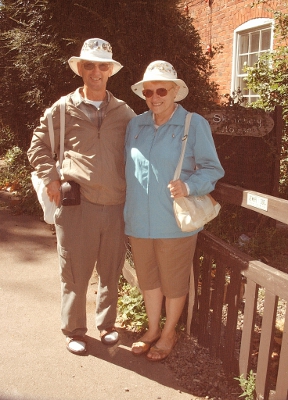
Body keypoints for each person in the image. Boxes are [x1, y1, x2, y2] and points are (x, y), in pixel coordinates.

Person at [27, 38, 136, 355]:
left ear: (110, 71)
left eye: (103, 65)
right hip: (77, 205)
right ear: (81, 69)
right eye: (90, 65)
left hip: (116, 205)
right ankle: (74, 330)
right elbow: (38, 145)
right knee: (74, 272)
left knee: (111, 271)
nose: (96, 71)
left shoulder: (125, 112)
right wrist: (50, 176)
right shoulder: (62, 109)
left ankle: (107, 326)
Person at [124, 60, 224, 361]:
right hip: (139, 220)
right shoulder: (135, 125)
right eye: (149, 91)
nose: (155, 97)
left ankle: (169, 333)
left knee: (174, 281)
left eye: (161, 90)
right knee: (149, 279)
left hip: (174, 222)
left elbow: (212, 169)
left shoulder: (193, 124)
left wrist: (189, 186)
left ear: (176, 91)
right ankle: (153, 328)